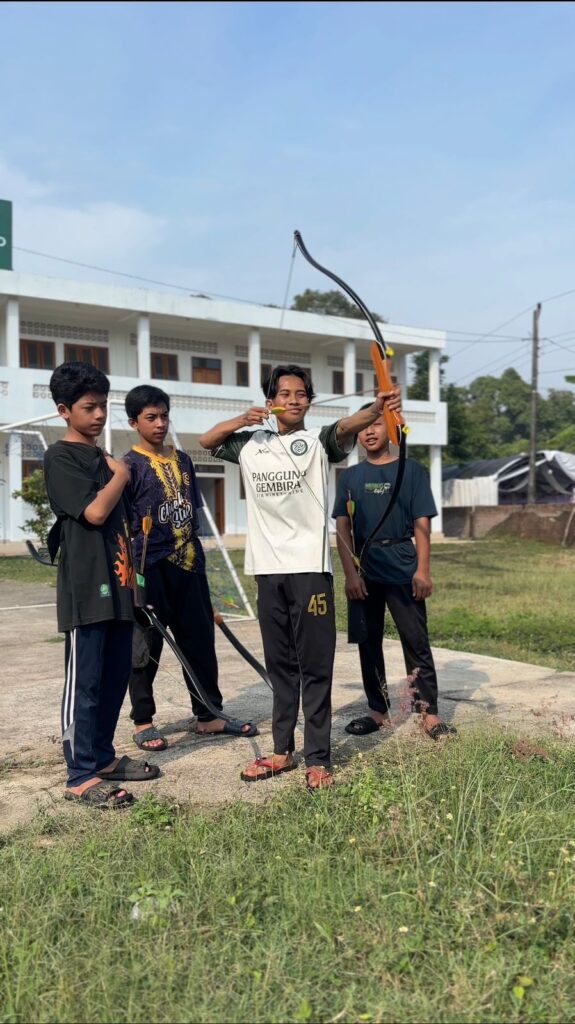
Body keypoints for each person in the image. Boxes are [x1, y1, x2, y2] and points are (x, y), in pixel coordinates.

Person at [198, 365, 402, 789]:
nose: (293, 400)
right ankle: (281, 751)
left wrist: (378, 407)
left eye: (301, 393)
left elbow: (348, 425)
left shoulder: (318, 442)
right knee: (281, 666)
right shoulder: (249, 446)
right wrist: (243, 419)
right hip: (267, 571)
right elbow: (206, 441)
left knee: (314, 665)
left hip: (310, 570)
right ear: (271, 398)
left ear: (310, 400)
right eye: (284, 393)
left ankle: (319, 757)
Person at [43, 362, 159, 810]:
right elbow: (93, 513)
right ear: (64, 410)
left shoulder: (104, 459)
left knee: (114, 678)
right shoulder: (61, 457)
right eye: (89, 407)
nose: (99, 414)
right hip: (87, 588)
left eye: (103, 406)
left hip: (120, 582)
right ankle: (79, 773)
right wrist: (121, 476)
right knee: (86, 682)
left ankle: (104, 758)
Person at [124, 384, 257, 751]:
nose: (160, 423)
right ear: (134, 421)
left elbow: (195, 514)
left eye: (164, 415)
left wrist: (206, 566)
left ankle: (208, 714)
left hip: (190, 564)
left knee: (199, 641)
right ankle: (143, 720)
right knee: (146, 647)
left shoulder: (183, 460)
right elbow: (124, 527)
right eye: (151, 417)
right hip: (149, 569)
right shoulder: (127, 466)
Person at [332, 407, 456, 740]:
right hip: (364, 570)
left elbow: (422, 524)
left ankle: (428, 712)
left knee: (416, 642)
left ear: (389, 428)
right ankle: (377, 710)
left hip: (403, 566)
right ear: (356, 434)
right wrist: (350, 575)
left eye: (376, 425)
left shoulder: (412, 471)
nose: (370, 432)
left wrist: (423, 570)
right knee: (367, 642)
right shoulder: (350, 477)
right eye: (364, 427)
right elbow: (342, 529)